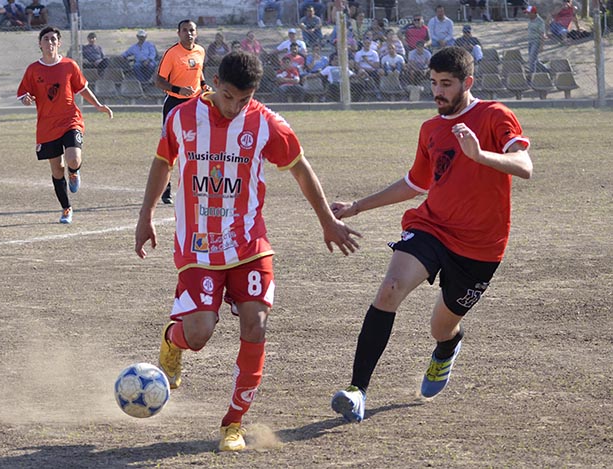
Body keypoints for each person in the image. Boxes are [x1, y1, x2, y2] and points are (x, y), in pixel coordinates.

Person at [134, 50, 360, 452]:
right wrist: (146, 215)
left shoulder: (267, 123)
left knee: (255, 325)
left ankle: (232, 424)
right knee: (199, 333)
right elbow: (162, 162)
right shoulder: (182, 117)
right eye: (227, 97)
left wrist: (327, 220)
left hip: (248, 244)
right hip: (197, 247)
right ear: (214, 83)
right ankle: (173, 341)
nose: (235, 107)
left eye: (244, 99)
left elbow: (300, 168)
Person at [330, 46, 533, 424]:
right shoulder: (431, 129)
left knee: (440, 326)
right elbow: (414, 183)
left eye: (447, 85)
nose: (438, 92)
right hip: (431, 227)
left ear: (467, 83)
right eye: (434, 83)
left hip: (480, 247)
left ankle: (448, 346)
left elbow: (524, 166)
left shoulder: (494, 115)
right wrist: (357, 206)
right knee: (389, 288)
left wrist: (480, 155)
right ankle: (357, 391)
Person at [17, 26, 113, 224]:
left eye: (54, 39)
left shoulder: (69, 65)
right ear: (40, 44)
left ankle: (75, 172)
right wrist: (26, 99)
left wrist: (97, 105)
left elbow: (82, 88)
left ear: (59, 43)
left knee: (73, 159)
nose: (50, 42)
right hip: (46, 125)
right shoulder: (33, 69)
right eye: (46, 39)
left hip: (71, 120)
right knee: (56, 169)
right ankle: (66, 209)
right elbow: (23, 93)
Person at [154, 19, 209, 204]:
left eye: (192, 30)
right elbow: (159, 81)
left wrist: (203, 85)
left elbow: (199, 71)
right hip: (174, 104)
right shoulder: (172, 53)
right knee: (171, 147)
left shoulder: (200, 50)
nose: (189, 33)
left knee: (196, 146)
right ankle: (165, 190)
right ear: (178, 33)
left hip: (195, 104)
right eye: (185, 30)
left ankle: (194, 187)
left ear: (197, 32)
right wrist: (178, 90)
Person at [526, 5, 547, 74]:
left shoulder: (540, 22)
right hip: (530, 41)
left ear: (534, 13)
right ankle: (547, 71)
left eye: (529, 13)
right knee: (534, 60)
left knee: (532, 59)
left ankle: (532, 74)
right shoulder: (530, 19)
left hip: (536, 42)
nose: (527, 14)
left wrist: (542, 46)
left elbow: (543, 34)